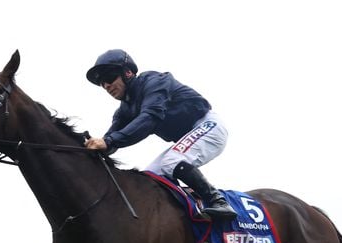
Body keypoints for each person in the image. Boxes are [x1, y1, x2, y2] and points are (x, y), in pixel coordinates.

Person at [85, 49, 237, 220]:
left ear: (128, 72)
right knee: (151, 176)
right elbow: (110, 140)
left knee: (173, 160)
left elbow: (150, 117)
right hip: (187, 137)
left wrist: (109, 141)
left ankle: (218, 202)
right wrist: (90, 149)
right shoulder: (123, 111)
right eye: (101, 83)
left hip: (208, 125)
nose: (106, 85)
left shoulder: (154, 82)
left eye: (109, 77)